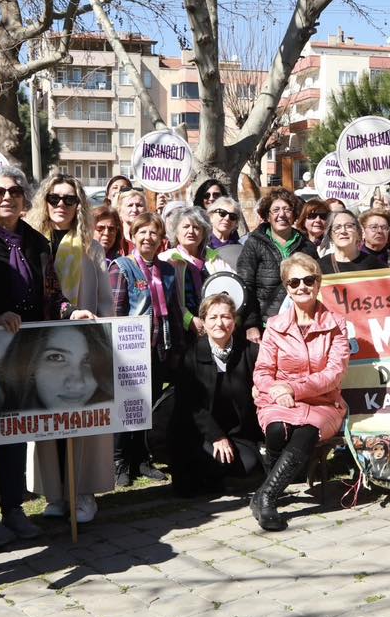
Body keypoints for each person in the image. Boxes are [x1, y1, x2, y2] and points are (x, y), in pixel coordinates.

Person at [0, 166, 90, 545]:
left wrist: (69, 312)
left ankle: (13, 509)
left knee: (13, 436)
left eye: (14, 190)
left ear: (26, 198)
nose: (6, 197)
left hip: (24, 356)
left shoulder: (36, 242)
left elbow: (52, 294)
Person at [24, 173, 115, 523]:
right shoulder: (31, 242)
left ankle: (83, 492)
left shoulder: (91, 246)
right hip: (43, 346)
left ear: (79, 205)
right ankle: (55, 494)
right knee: (48, 422)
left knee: (84, 422)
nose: (61, 205)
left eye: (69, 199)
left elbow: (106, 300)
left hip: (84, 346)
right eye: (55, 198)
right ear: (44, 201)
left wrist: (103, 337)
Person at [251, 253, 348, 531]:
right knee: (277, 429)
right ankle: (271, 490)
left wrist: (293, 388)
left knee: (307, 430)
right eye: (294, 282)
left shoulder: (337, 324)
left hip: (323, 402)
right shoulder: (274, 326)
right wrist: (275, 390)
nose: (302, 286)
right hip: (278, 400)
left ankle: (266, 497)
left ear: (318, 283)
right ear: (286, 287)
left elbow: (334, 373)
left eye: (308, 280)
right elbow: (262, 372)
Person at [109, 212, 185, 485]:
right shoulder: (122, 267)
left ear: (161, 238)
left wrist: (177, 347)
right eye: (143, 232)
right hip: (130, 353)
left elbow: (174, 310)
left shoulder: (166, 269)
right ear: (133, 235)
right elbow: (116, 313)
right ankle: (119, 461)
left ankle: (142, 459)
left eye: (154, 233)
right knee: (126, 406)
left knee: (147, 406)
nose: (148, 237)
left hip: (159, 349)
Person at [170, 293, 262, 496]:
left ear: (234, 321)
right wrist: (216, 436)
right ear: (203, 322)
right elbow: (191, 406)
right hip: (202, 434)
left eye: (226, 317)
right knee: (213, 461)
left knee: (249, 464)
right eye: (213, 317)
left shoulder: (250, 351)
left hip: (238, 434)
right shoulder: (190, 356)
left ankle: (223, 480)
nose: (220, 323)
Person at [237, 187, 305, 341]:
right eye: (275, 210)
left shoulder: (307, 246)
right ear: (267, 215)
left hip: (300, 325)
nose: (281, 214)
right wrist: (250, 324)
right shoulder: (253, 244)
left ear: (294, 215)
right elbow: (245, 285)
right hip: (265, 326)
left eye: (287, 209)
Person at [163, 205, 229, 328]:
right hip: (181, 329)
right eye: (186, 227)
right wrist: (189, 319)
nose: (191, 231)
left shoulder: (216, 259)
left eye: (196, 227)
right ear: (176, 232)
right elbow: (169, 300)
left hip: (217, 325)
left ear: (204, 233)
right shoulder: (167, 259)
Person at [207, 196, 245, 269]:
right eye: (222, 213)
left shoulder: (241, 250)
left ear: (236, 223)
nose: (227, 218)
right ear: (211, 216)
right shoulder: (201, 246)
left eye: (232, 216)